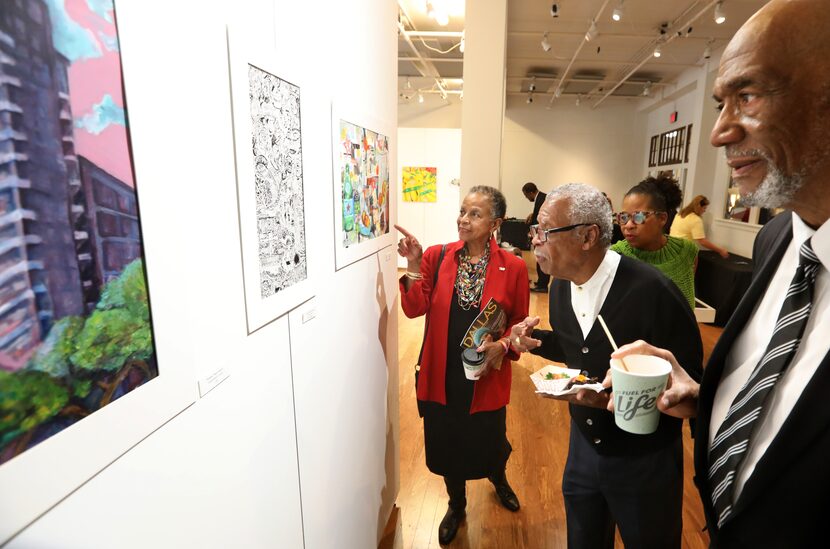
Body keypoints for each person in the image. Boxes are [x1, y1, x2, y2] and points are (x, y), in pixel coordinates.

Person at [611, 1, 830, 546]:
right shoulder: (779, 238)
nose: (719, 133)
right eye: (720, 103)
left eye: (748, 95)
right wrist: (706, 396)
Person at [510, 183, 702, 549]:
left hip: (644, 460)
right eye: (535, 230)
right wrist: (538, 343)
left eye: (544, 231)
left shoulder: (654, 292)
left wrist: (630, 399)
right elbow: (578, 347)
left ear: (587, 236)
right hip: (583, 448)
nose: (534, 240)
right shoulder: (560, 287)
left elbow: (693, 390)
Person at [396, 185, 530, 545]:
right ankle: (456, 505)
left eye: (475, 214)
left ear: (495, 223)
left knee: (490, 439)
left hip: (485, 376)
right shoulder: (438, 257)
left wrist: (502, 345)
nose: (463, 219)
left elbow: (520, 323)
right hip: (442, 374)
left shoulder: (513, 266)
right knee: (447, 444)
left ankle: (498, 478)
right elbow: (414, 308)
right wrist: (411, 264)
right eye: (462, 211)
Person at [611, 175, 698, 308]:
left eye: (638, 217)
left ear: (662, 218)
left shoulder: (687, 251)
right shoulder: (615, 256)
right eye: (623, 217)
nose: (628, 225)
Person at [522, 182, 550, 292]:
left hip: (542, 235)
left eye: (526, 196)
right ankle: (541, 282)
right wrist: (532, 214)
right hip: (540, 234)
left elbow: (542, 218)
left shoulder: (542, 199)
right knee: (539, 259)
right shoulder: (541, 197)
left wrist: (533, 233)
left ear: (531, 192)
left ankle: (543, 285)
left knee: (542, 259)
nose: (527, 198)